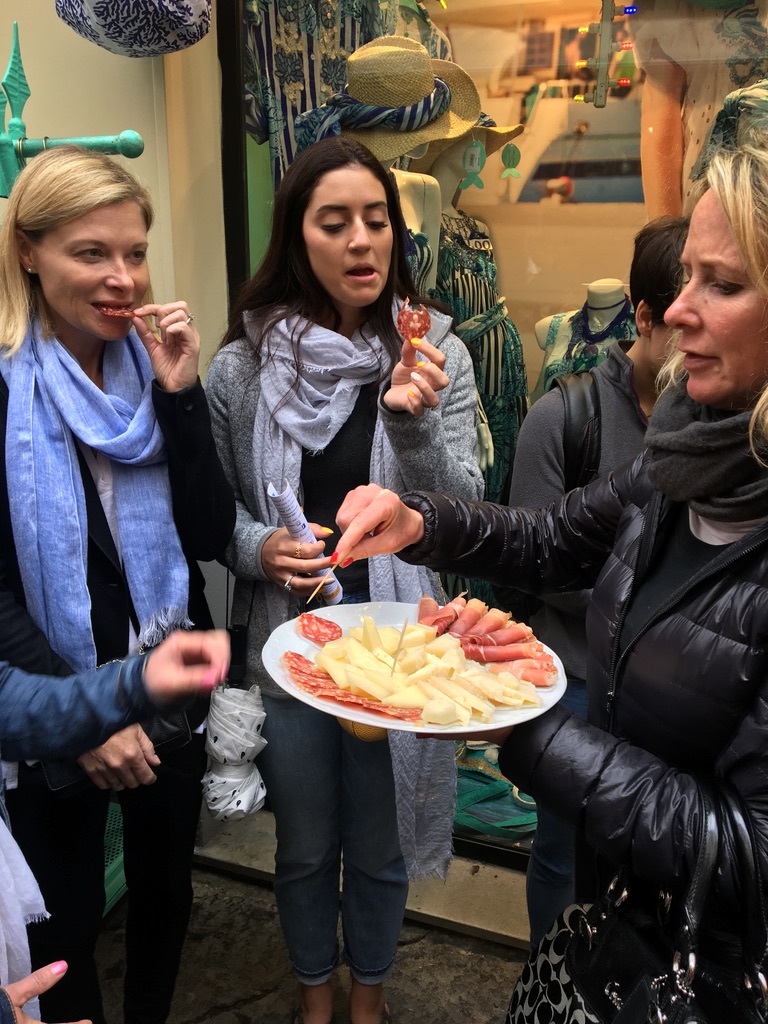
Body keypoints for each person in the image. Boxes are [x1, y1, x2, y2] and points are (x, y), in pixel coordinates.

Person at [331, 132, 768, 1016]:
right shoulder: (687, 451)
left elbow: (748, 853)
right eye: (685, 276)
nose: (676, 311)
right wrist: (424, 521)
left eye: (721, 284)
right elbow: (556, 538)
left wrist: (514, 726)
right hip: (620, 932)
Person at [205, 135, 484, 1024]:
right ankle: (313, 990)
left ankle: (368, 992)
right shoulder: (243, 366)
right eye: (336, 223)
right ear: (298, 236)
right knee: (302, 841)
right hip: (292, 649)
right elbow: (212, 514)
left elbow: (468, 511)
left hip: (399, 649)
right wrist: (257, 549)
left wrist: (413, 422)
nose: (363, 242)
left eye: (377, 222)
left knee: (379, 839)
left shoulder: (434, 348)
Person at [0, 146, 235, 1024]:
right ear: (28, 251)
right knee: (64, 926)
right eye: (90, 253)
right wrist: (85, 717)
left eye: (134, 253)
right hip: (54, 706)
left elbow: (211, 534)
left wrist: (181, 395)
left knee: (166, 893)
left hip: (170, 682)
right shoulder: (4, 386)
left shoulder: (151, 369)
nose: (121, 278)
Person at [505, 215, 688, 947]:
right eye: (682, 315)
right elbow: (535, 551)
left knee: (658, 861)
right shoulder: (564, 416)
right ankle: (557, 980)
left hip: (675, 692)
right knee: (561, 851)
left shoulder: (723, 425)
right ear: (642, 318)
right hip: (577, 680)